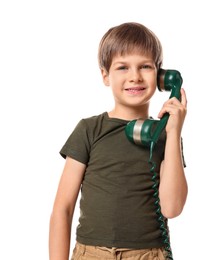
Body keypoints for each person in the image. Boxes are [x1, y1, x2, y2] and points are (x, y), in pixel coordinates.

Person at [49, 22, 188, 260]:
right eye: (123, 67)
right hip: (91, 254)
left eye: (145, 66)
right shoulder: (89, 129)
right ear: (105, 75)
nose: (135, 77)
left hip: (148, 254)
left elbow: (172, 208)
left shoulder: (166, 136)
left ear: (162, 77)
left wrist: (174, 132)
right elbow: (63, 208)